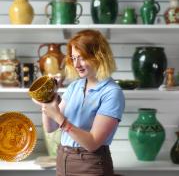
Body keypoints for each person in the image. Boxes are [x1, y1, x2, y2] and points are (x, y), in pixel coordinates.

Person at [33, 29, 125, 176]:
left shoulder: (112, 92)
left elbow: (93, 143)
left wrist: (58, 117)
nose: (76, 64)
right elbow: (51, 127)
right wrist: (48, 99)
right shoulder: (75, 86)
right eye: (73, 58)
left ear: (98, 56)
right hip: (63, 160)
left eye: (82, 58)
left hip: (91, 164)